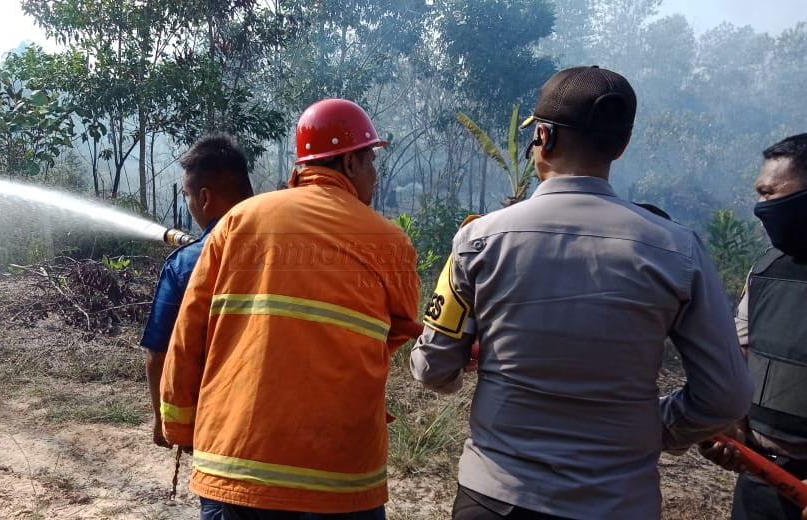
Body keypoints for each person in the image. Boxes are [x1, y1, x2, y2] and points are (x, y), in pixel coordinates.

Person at [410, 65, 753, 520]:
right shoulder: (678, 249)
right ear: (622, 145)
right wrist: (660, 426)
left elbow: (434, 367)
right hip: (620, 501)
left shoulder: (479, 239)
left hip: (496, 496)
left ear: (544, 139)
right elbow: (727, 396)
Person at [160, 98, 420, 519]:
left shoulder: (239, 220)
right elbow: (400, 327)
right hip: (340, 475)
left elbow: (189, 334)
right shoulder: (389, 241)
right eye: (371, 160)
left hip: (236, 463)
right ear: (351, 163)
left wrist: (179, 424)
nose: (374, 173)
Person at [699, 133, 807, 520]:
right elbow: (740, 355)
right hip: (763, 478)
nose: (761, 207)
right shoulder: (766, 270)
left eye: (770, 193)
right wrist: (732, 425)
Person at [140, 133, 253, 448]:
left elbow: (158, 353)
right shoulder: (288, 250)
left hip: (217, 427)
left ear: (204, 198)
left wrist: (162, 420)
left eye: (187, 196)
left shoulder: (184, 263)